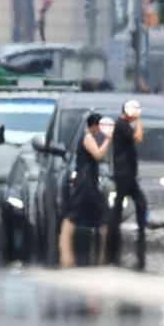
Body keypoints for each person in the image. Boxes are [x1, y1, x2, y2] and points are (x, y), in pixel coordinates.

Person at [59, 113, 113, 268]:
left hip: (88, 184)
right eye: (100, 126)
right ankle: (67, 258)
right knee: (75, 218)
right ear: (94, 125)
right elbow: (98, 155)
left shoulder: (88, 137)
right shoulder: (88, 137)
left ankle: (102, 259)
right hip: (86, 185)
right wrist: (108, 139)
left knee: (101, 221)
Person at [108, 100, 146, 270]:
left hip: (129, 174)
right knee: (118, 208)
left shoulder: (124, 126)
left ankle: (140, 244)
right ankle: (112, 247)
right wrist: (139, 120)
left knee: (141, 203)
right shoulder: (122, 125)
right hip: (123, 173)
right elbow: (138, 137)